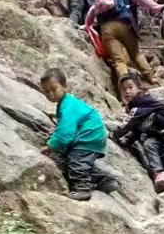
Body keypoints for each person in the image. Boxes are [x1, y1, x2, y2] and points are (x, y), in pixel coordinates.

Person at [40, 67, 119, 201]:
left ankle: (82, 189)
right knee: (81, 164)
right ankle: (105, 181)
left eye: (54, 89)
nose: (51, 94)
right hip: (93, 135)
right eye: (47, 91)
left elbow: (65, 132)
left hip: (89, 136)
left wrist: (50, 146)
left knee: (76, 161)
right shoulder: (67, 102)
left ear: (64, 86)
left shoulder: (67, 105)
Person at [112, 71, 164, 192]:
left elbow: (128, 124)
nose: (127, 91)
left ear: (138, 88)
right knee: (149, 144)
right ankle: (159, 175)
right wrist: (126, 142)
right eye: (123, 89)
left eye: (130, 87)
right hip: (160, 132)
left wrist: (114, 134)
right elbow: (136, 130)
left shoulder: (141, 101)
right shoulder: (135, 106)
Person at [84, 0, 164, 86]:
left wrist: (85, 26)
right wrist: (155, 7)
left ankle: (126, 87)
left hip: (106, 29)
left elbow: (90, 16)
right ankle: (151, 78)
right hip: (125, 24)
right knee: (136, 54)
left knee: (118, 60)